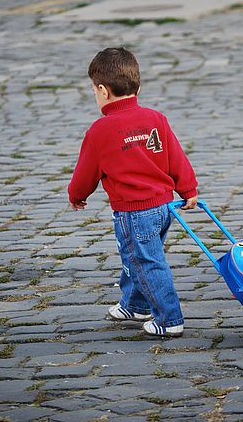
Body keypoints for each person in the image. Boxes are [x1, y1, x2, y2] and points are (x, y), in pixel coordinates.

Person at [68, 47, 198, 337]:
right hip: (164, 208)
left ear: (102, 91)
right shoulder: (156, 118)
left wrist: (77, 195)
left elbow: (85, 172)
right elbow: (176, 156)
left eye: (93, 90)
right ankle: (135, 305)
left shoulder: (100, 130)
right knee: (139, 257)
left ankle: (169, 318)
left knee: (144, 261)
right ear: (136, 85)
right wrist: (188, 188)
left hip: (134, 211)